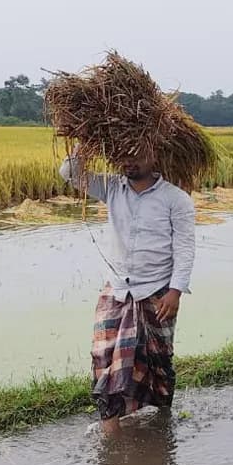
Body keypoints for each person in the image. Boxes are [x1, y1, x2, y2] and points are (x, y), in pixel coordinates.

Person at [60, 148, 196, 438]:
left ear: (155, 157)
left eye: (138, 156)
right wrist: (82, 148)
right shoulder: (112, 188)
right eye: (124, 156)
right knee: (104, 357)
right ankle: (112, 431)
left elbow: (184, 250)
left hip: (157, 290)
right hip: (118, 289)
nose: (129, 163)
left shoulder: (176, 199)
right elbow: (69, 174)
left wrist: (176, 291)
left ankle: (161, 421)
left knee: (157, 361)